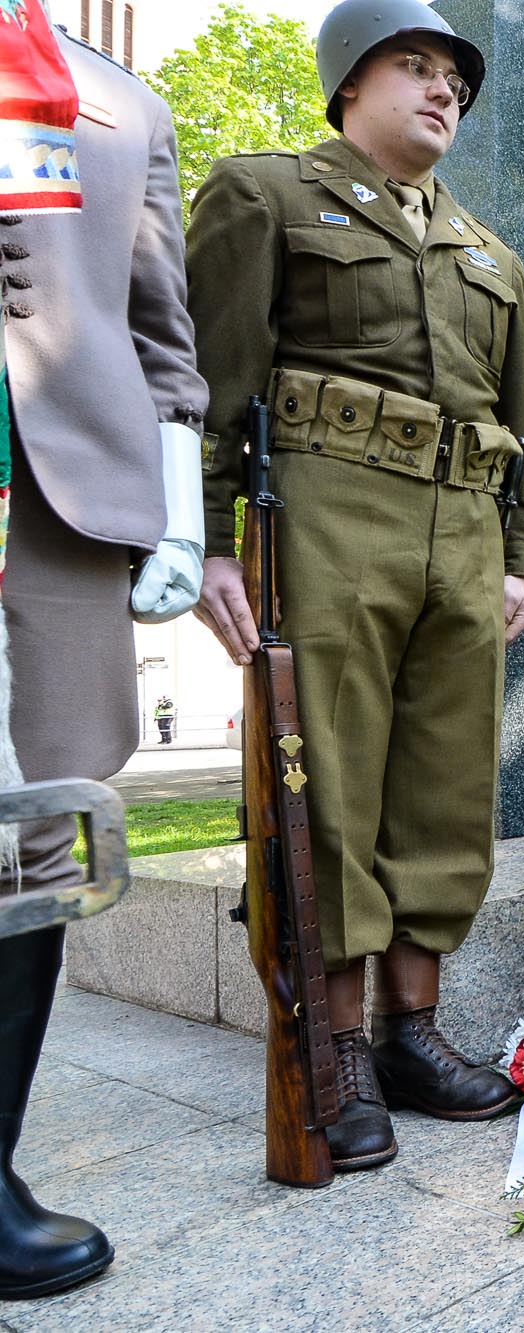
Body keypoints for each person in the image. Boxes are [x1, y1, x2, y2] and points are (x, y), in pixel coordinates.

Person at [188, 0, 524, 1172]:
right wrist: (204, 541)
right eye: (414, 66)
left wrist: (519, 560)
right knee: (326, 783)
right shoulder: (265, 193)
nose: (441, 90)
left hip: (462, 530)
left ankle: (412, 1035)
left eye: (453, 76)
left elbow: (520, 426)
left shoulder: (492, 255)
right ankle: (333, 1048)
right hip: (329, 508)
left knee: (443, 788)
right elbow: (209, 386)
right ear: (350, 81)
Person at [2, 22, 209, 1297]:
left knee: (38, 832)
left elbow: (160, 327)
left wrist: (178, 506)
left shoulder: (119, 100)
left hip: (56, 503)